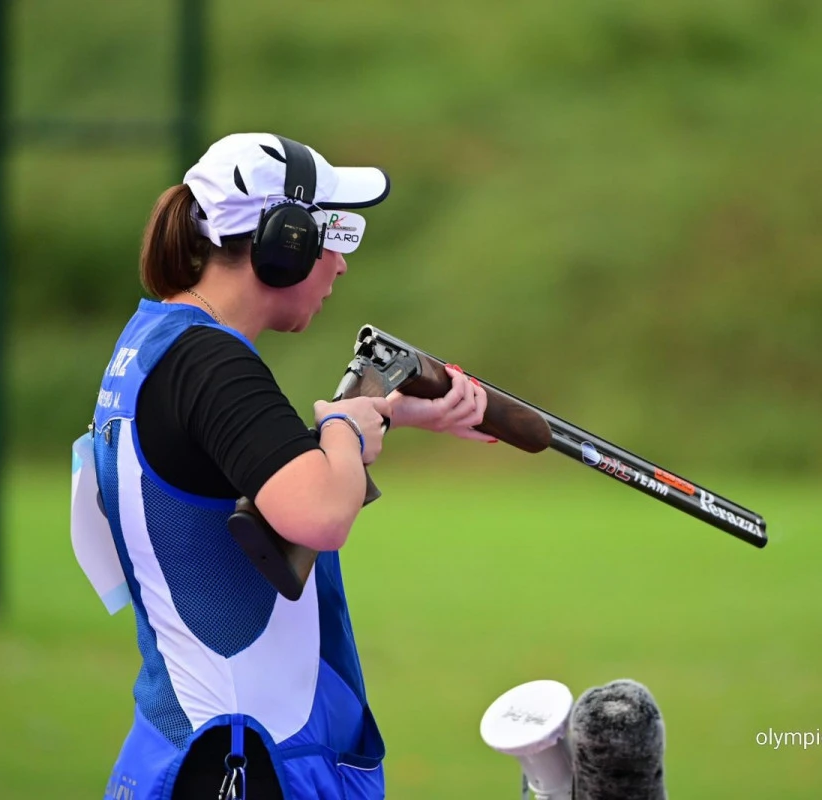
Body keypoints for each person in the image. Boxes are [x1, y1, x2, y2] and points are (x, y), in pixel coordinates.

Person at [87, 133, 495, 800]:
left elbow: (234, 472)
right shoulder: (211, 365)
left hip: (196, 747)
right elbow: (317, 512)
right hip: (243, 762)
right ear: (286, 240)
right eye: (335, 232)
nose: (341, 263)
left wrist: (385, 413)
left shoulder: (160, 343)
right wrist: (342, 423)